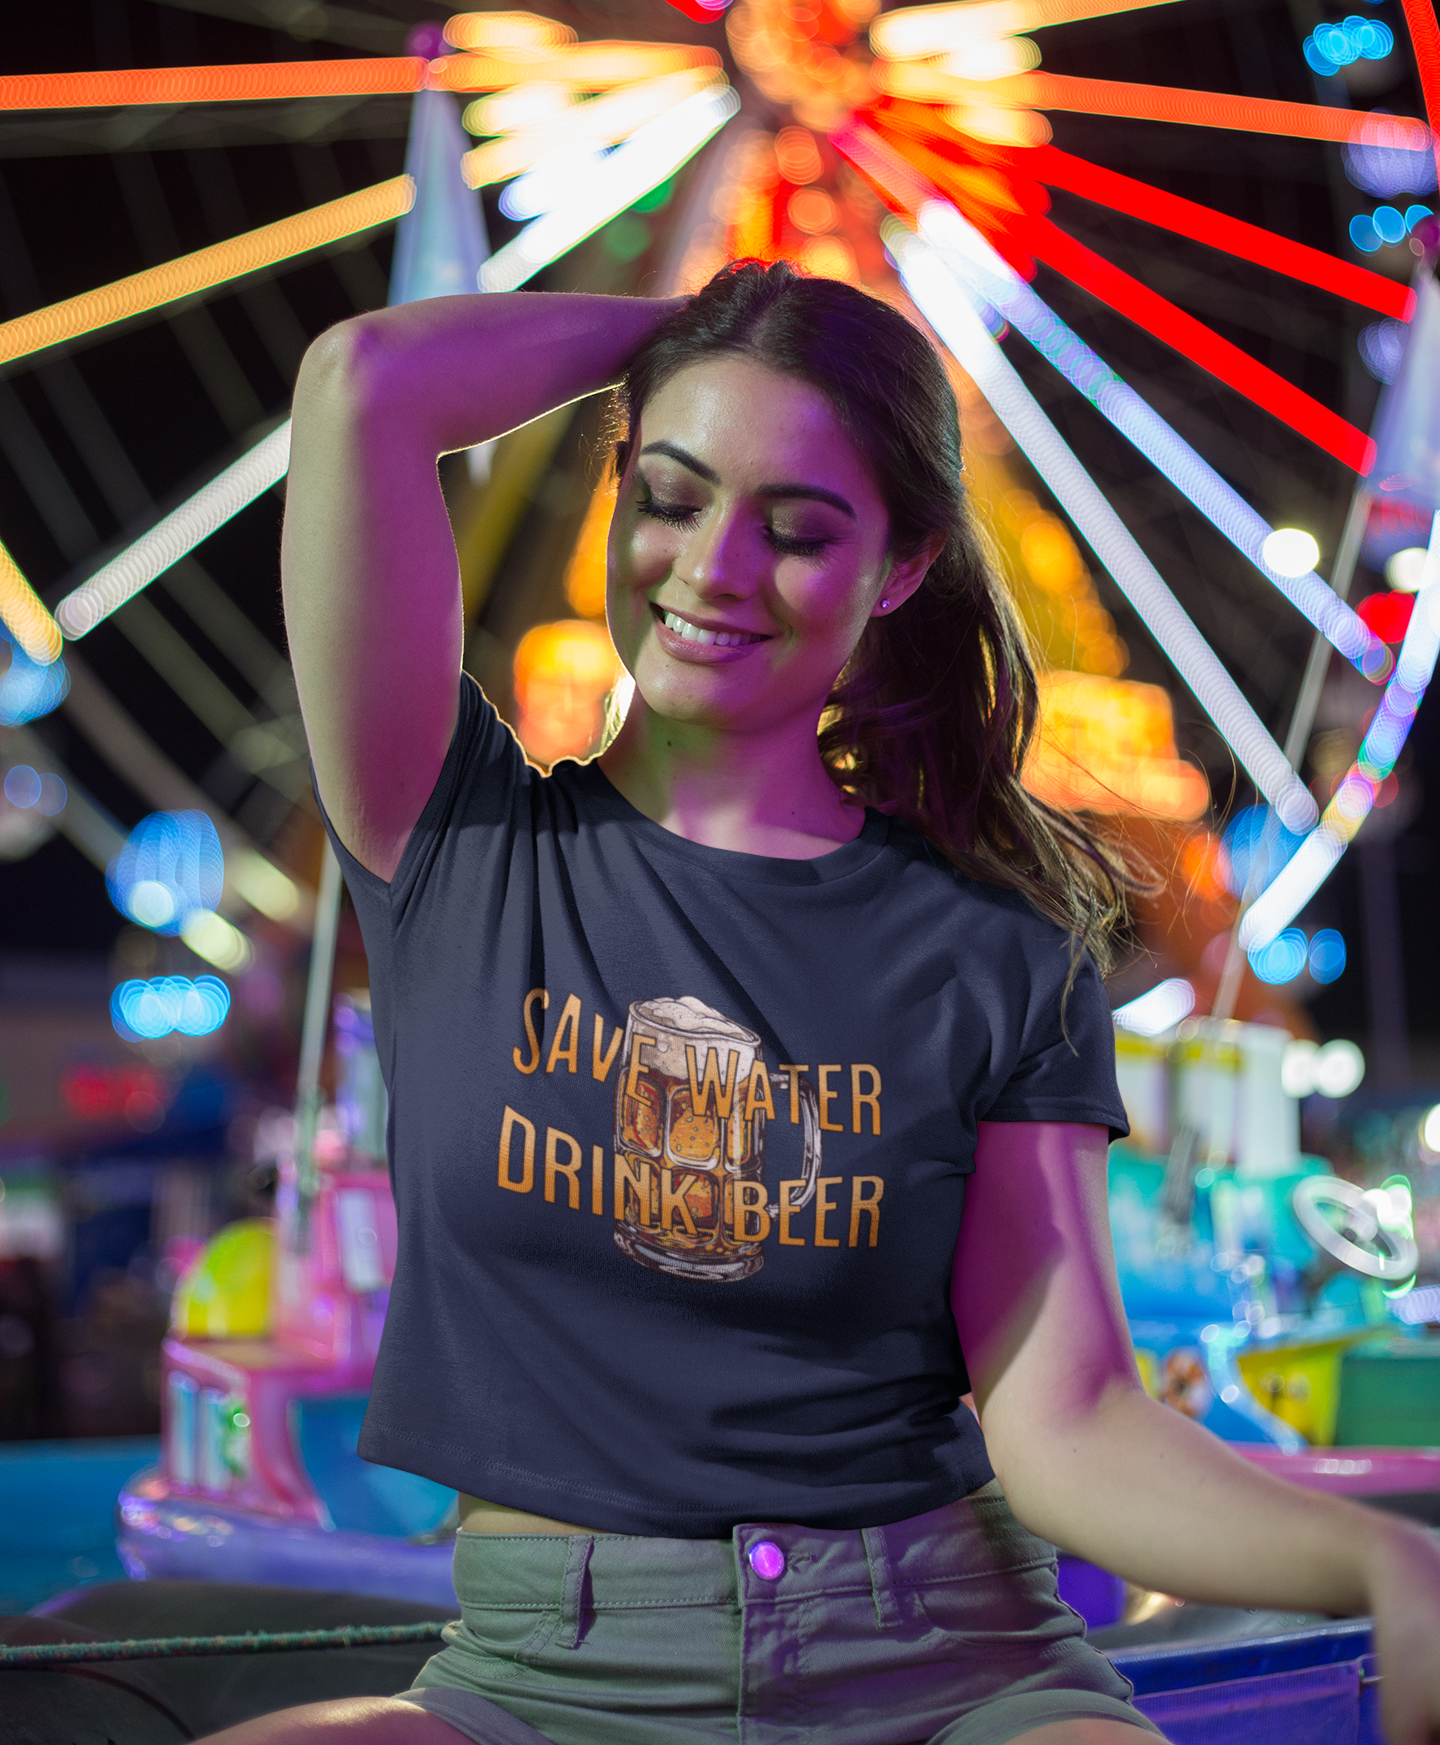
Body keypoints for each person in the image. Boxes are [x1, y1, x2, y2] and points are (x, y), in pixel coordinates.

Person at [207, 262, 1440, 1745]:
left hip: (944, 1661)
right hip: (547, 1681)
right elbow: (362, 384)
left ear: (902, 567)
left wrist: (1385, 1561)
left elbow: (1067, 1428)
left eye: (795, 530)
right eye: (669, 495)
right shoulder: (452, 840)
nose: (713, 567)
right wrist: (707, 326)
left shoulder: (997, 949)